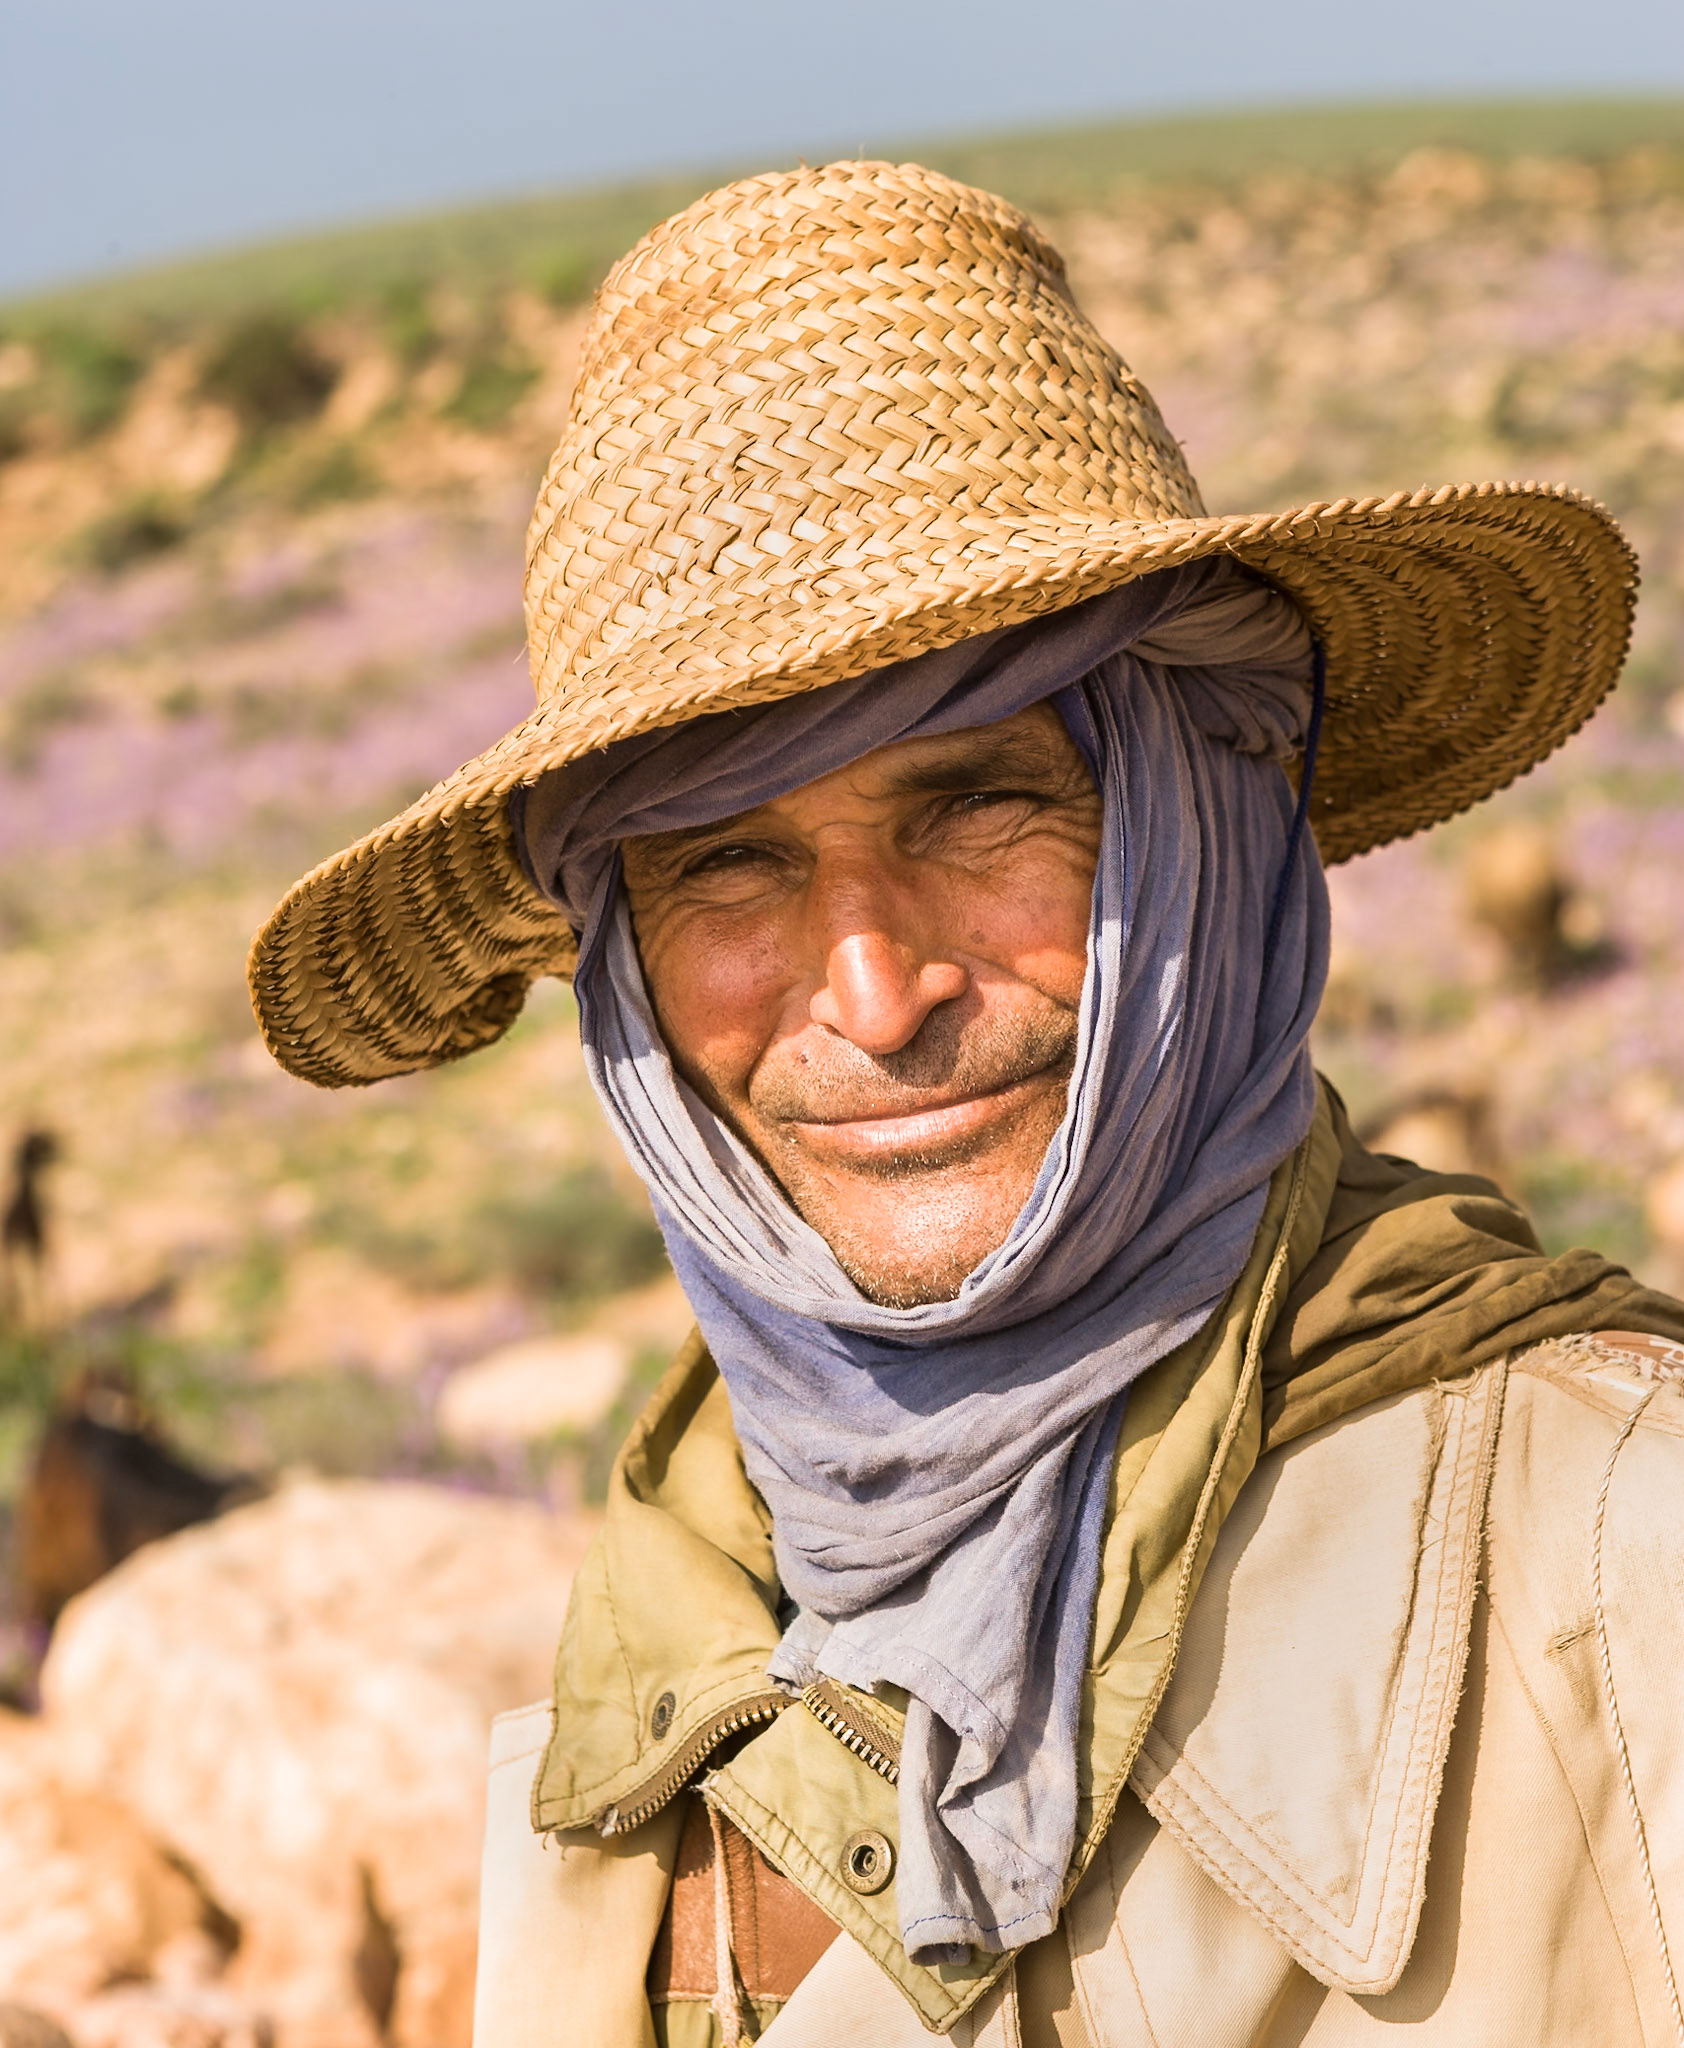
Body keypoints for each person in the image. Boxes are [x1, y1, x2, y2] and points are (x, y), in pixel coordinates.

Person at [250, 162, 1684, 2047]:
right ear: (618, 965)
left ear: (1212, 833)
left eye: (983, 805)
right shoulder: (685, 1600)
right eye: (724, 862)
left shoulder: (1623, 1579)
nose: (874, 993)